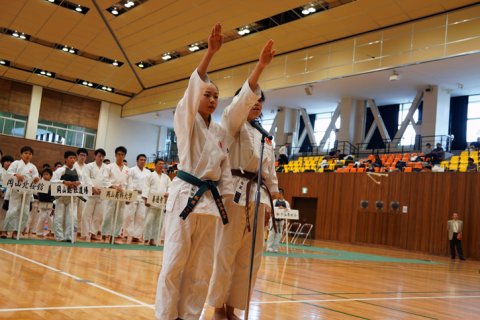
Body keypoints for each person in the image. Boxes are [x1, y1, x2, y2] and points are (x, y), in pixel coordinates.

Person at [155, 24, 234, 320]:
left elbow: (224, 170)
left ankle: (188, 316)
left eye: (216, 96)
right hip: (186, 196)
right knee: (175, 260)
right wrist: (210, 53)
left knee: (201, 266)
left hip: (210, 203)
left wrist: (225, 198)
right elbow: (192, 91)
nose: (213, 100)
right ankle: (166, 316)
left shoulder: (219, 130)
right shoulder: (186, 121)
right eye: (207, 95)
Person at [208, 39, 278, 320]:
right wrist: (260, 67)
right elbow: (240, 104)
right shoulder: (232, 123)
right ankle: (217, 306)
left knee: (250, 258)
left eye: (262, 101)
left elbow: (270, 173)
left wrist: (274, 200)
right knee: (226, 252)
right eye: (253, 99)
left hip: (257, 197)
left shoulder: (264, 136)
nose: (258, 104)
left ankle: (234, 305)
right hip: (232, 194)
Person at [3, 146, 40, 238]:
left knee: (25, 212)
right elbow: (8, 173)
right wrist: (16, 175)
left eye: (30, 154)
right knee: (12, 210)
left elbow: (36, 177)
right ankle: (5, 231)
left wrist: (36, 179)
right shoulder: (16, 163)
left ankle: (17, 231)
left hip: (27, 193)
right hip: (15, 191)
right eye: (25, 153)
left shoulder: (33, 167)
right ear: (21, 154)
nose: (28, 155)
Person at [52, 151, 87, 242]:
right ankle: (59, 237)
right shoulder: (60, 170)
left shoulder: (78, 171)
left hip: (73, 198)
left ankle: (70, 237)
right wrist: (63, 182)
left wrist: (78, 183)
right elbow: (52, 181)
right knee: (59, 217)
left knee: (72, 217)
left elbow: (84, 182)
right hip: (61, 198)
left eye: (74, 158)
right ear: (66, 159)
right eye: (70, 158)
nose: (72, 160)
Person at [102, 146, 131, 244]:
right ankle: (105, 234)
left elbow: (130, 184)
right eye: (118, 154)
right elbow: (104, 179)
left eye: (122, 155)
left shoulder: (128, 170)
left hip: (122, 194)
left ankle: (114, 236)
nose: (120, 156)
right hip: (111, 193)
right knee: (108, 214)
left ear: (124, 156)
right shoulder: (109, 167)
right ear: (115, 155)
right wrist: (113, 186)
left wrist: (128, 196)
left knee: (120, 216)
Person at [142, 158, 171, 246]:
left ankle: (153, 239)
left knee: (159, 222)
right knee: (148, 221)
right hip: (151, 201)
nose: (161, 165)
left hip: (162, 202)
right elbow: (146, 187)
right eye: (159, 164)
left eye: (162, 164)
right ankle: (146, 239)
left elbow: (170, 187)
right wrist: (146, 199)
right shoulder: (150, 175)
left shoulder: (166, 177)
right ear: (155, 165)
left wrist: (168, 193)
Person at [81, 148, 108, 241]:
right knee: (86, 215)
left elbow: (107, 180)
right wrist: (93, 187)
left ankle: (93, 233)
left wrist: (104, 188)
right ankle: (84, 233)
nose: (101, 158)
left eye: (102, 156)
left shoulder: (106, 167)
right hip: (90, 194)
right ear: (95, 156)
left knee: (99, 216)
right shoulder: (89, 166)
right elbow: (86, 178)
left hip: (101, 194)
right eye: (99, 156)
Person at [123, 154, 150, 244]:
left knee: (141, 216)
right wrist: (129, 195)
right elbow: (128, 183)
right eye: (141, 160)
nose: (143, 161)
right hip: (133, 193)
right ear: (137, 161)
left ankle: (136, 235)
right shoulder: (131, 170)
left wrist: (147, 197)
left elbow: (148, 185)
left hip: (143, 195)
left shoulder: (148, 172)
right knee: (130, 215)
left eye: (144, 160)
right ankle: (128, 234)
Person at [266, 188, 290, 253]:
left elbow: (289, 211)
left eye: (278, 193)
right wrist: (277, 208)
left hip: (281, 221)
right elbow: (269, 209)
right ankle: (269, 247)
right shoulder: (274, 201)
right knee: (272, 233)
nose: (277, 195)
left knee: (279, 235)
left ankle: (275, 248)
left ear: (281, 194)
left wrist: (284, 208)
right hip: (274, 220)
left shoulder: (286, 203)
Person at [34, 168, 55, 237]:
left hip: (50, 203)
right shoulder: (40, 184)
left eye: (47, 174)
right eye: (44, 174)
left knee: (51, 218)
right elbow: (36, 193)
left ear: (51, 176)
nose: (45, 176)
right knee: (42, 217)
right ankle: (39, 232)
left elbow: (55, 195)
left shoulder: (53, 184)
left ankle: (52, 231)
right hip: (42, 202)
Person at [74, 148, 89, 236]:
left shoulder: (87, 167)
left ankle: (79, 229)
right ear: (77, 155)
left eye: (85, 155)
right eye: (81, 155)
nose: (83, 157)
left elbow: (88, 180)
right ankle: (72, 228)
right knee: (73, 210)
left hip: (84, 192)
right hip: (74, 191)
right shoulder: (73, 165)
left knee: (82, 211)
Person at [0, 155, 14, 238]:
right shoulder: (1, 171)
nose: (9, 163)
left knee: (4, 214)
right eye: (7, 162)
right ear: (3, 162)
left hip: (7, 196)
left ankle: (3, 230)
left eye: (10, 162)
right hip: (0, 193)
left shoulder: (13, 174)